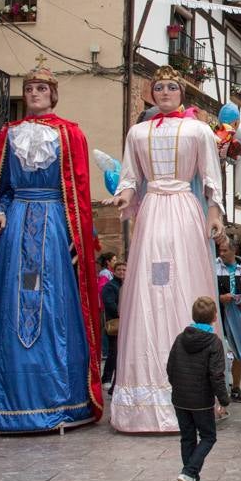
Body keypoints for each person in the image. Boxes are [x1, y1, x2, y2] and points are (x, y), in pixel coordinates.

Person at [0, 64, 103, 433]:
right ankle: (7, 403)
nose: (34, 93)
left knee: (54, 303)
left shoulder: (69, 134)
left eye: (41, 88)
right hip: (16, 226)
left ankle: (62, 400)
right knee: (11, 302)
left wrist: (75, 236)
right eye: (29, 88)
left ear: (53, 94)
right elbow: (3, 187)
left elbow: (75, 191)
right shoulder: (7, 134)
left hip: (53, 224)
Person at [107, 65, 225, 432]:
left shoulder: (198, 129)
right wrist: (125, 196)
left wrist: (214, 211)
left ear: (181, 93)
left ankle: (196, 393)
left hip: (185, 210)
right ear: (151, 93)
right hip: (153, 208)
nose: (165, 93)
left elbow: (210, 176)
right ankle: (143, 397)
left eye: (172, 87)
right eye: (159, 88)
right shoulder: (137, 132)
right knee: (149, 287)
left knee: (185, 281)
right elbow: (130, 176)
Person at [167, 296, 229, 481]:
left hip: (179, 397)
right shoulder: (214, 342)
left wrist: (177, 385)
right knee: (209, 436)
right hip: (201, 399)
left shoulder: (180, 338)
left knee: (187, 438)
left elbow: (170, 367)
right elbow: (216, 374)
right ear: (214, 317)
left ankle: (193, 480)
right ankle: (189, 472)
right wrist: (224, 400)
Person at [214, 238, 241, 402]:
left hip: (239, 316)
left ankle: (235, 387)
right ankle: (219, 389)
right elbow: (208, 288)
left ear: (234, 250)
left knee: (239, 351)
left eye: (224, 251)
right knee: (219, 351)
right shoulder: (214, 267)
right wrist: (220, 297)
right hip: (219, 315)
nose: (221, 254)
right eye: (219, 251)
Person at [101, 261, 125, 394]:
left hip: (125, 324)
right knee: (113, 353)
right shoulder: (110, 286)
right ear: (114, 271)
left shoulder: (127, 285)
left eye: (124, 270)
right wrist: (122, 312)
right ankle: (107, 378)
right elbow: (109, 304)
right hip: (115, 324)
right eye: (119, 270)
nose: (122, 272)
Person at [97, 251, 117, 359]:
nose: (115, 262)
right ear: (108, 262)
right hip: (105, 305)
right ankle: (105, 351)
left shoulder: (109, 272)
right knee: (106, 327)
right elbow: (102, 289)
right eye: (114, 260)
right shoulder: (105, 273)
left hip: (108, 304)